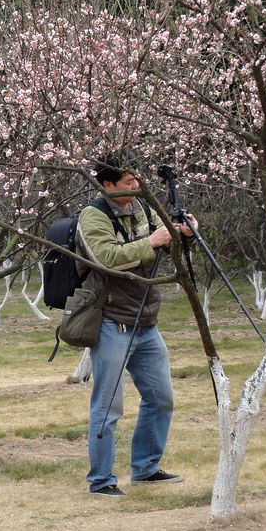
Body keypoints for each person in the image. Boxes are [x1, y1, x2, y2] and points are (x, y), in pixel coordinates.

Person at [76, 153, 195, 497]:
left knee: (161, 398)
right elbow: (107, 258)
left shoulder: (142, 208)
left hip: (146, 321)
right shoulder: (93, 216)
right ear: (108, 184)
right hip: (113, 323)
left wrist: (182, 233)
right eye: (129, 183)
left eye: (137, 180)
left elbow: (165, 236)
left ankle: (145, 468)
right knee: (108, 405)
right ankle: (101, 481)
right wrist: (153, 241)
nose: (137, 187)